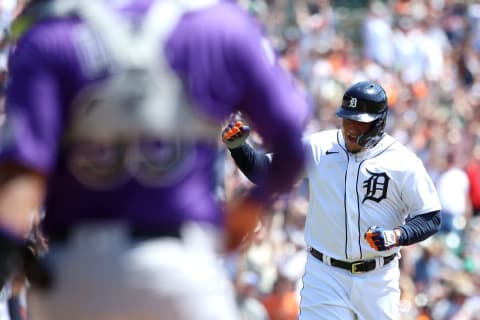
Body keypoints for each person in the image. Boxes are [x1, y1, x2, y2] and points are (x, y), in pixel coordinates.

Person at [0, 0, 310, 319]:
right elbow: (290, 140)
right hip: (183, 269)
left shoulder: (53, 31)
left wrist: (7, 244)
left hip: (78, 269)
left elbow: (23, 172)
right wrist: (249, 210)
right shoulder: (220, 24)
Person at [222, 81, 442, 320]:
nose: (351, 129)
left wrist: (397, 236)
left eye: (360, 123)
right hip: (325, 275)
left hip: (378, 279)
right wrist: (239, 148)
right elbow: (265, 172)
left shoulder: (403, 162)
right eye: (348, 120)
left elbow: (430, 216)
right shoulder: (319, 147)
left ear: (378, 123)